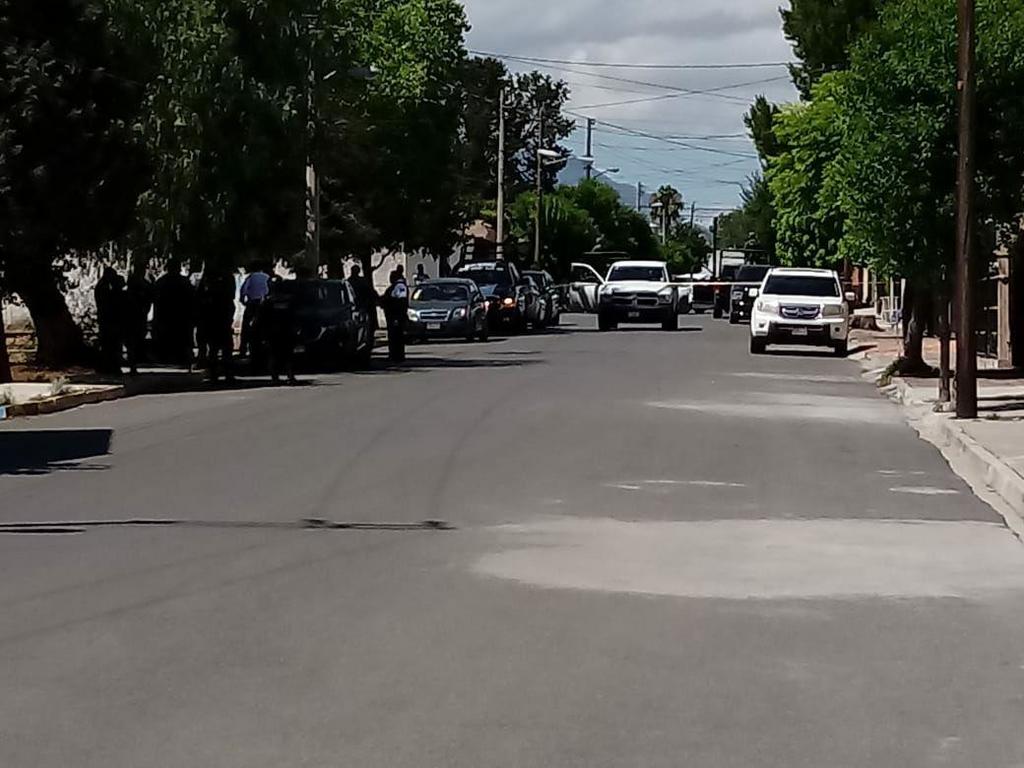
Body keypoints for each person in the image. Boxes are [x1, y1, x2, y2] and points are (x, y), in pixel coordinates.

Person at [196, 265, 237, 383]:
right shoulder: (227, 279)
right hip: (221, 317)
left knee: (214, 348)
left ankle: (214, 373)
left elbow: (199, 299)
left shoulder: (206, 282)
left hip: (212, 318)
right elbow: (232, 297)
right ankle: (227, 373)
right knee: (226, 347)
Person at [153, 258, 195, 368]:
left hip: (168, 316)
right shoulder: (184, 282)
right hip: (179, 316)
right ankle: (178, 356)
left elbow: (155, 299)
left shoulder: (161, 282)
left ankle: (168, 356)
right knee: (179, 337)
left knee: (169, 337)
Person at [262, 278, 297, 385]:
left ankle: (275, 378)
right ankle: (289, 376)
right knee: (287, 355)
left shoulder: (268, 301)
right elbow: (294, 315)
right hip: (285, 331)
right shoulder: (289, 300)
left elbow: (262, 319)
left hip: (275, 332)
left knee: (275, 355)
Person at [94, 266, 126, 374]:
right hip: (109, 319)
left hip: (108, 319)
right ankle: (110, 366)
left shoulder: (105, 287)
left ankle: (109, 365)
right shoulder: (105, 288)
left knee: (110, 344)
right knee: (110, 344)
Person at [125, 261, 153, 375]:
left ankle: (135, 359)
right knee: (134, 338)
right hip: (135, 314)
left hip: (139, 314)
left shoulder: (141, 282)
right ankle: (133, 361)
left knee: (137, 337)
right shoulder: (138, 282)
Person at [239, 263, 270, 358]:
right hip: (264, 304)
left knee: (246, 326)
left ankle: (243, 349)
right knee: (265, 326)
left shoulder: (250, 278)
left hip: (252, 303)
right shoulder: (267, 277)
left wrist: (243, 301)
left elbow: (243, 291)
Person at [382, 265, 409, 363]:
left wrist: (398, 317)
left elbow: (401, 302)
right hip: (392, 317)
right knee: (393, 337)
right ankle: (393, 355)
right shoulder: (394, 287)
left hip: (396, 317)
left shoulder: (400, 286)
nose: (390, 279)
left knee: (397, 337)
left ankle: (398, 356)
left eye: (391, 277)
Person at [348, 264, 378, 332]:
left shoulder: (349, 282)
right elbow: (370, 292)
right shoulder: (361, 281)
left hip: (359, 306)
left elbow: (369, 292)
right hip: (360, 306)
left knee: (362, 325)